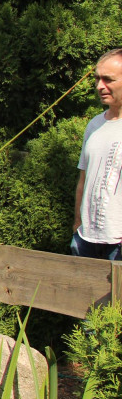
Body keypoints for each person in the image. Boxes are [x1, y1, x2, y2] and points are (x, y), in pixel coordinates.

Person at [72, 47, 122, 260]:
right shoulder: (94, 125)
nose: (100, 86)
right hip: (85, 239)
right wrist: (77, 225)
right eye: (97, 79)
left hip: (117, 241)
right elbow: (83, 179)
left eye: (108, 79)